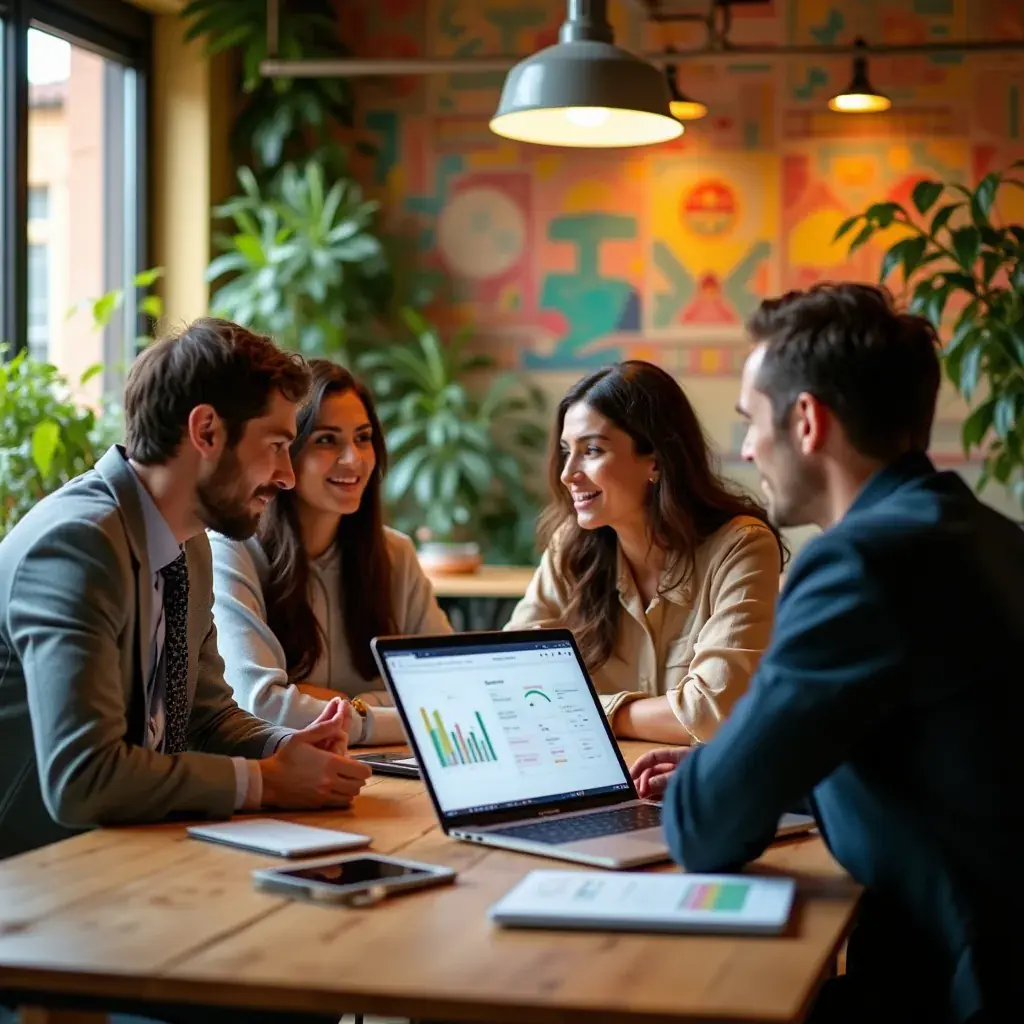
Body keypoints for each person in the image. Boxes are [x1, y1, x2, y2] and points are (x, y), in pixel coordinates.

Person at [632, 283, 1024, 1023]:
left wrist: (722, 776)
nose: (746, 448)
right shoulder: (988, 537)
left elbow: (706, 827)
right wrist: (748, 762)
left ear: (806, 420)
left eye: (751, 421)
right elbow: (936, 754)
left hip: (963, 982)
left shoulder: (859, 561)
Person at [0, 319, 373, 865]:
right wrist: (266, 781)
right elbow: (84, 777)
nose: (287, 476)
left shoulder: (189, 541)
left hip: (123, 856)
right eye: (275, 446)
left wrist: (284, 748)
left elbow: (206, 715)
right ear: (206, 432)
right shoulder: (76, 546)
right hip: (31, 880)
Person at [507, 360, 785, 745]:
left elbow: (711, 713)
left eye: (591, 450)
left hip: (688, 791)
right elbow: (509, 677)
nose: (567, 473)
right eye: (566, 451)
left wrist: (587, 711)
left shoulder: (741, 547)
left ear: (654, 459)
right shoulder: (570, 548)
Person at [211, 359, 450, 743]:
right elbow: (259, 707)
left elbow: (447, 689)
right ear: (286, 450)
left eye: (363, 437)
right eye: (326, 439)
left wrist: (351, 705)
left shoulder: (396, 553)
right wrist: (383, 713)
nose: (353, 459)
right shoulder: (231, 550)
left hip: (383, 777)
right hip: (286, 784)